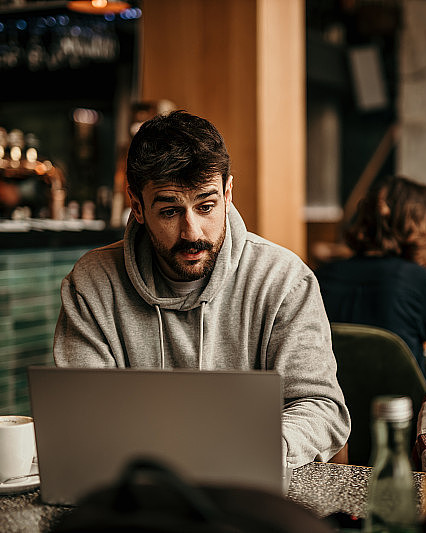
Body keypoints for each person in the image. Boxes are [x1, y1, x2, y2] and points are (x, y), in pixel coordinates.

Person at [53, 110, 350, 469]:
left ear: (228, 194)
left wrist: (260, 449)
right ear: (137, 205)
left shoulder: (284, 280)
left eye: (206, 206)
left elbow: (320, 406)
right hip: (136, 487)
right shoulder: (91, 284)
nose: (192, 232)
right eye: (169, 212)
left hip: (251, 487)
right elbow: (84, 414)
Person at [314, 174, 426, 375]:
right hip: (402, 404)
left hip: (331, 403)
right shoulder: (415, 279)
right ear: (422, 225)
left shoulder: (322, 276)